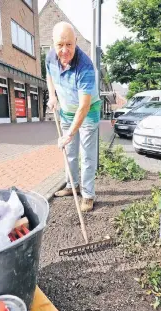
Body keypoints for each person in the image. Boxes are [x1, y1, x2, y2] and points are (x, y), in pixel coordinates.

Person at [45, 21, 101, 212]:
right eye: (60, 45)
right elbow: (49, 75)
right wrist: (52, 96)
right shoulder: (51, 57)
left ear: (76, 42)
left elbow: (84, 106)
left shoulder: (85, 66)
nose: (64, 50)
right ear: (53, 43)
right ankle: (72, 186)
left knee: (86, 155)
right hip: (66, 111)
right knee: (69, 153)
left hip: (88, 113)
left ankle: (87, 195)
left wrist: (69, 133)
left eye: (69, 44)